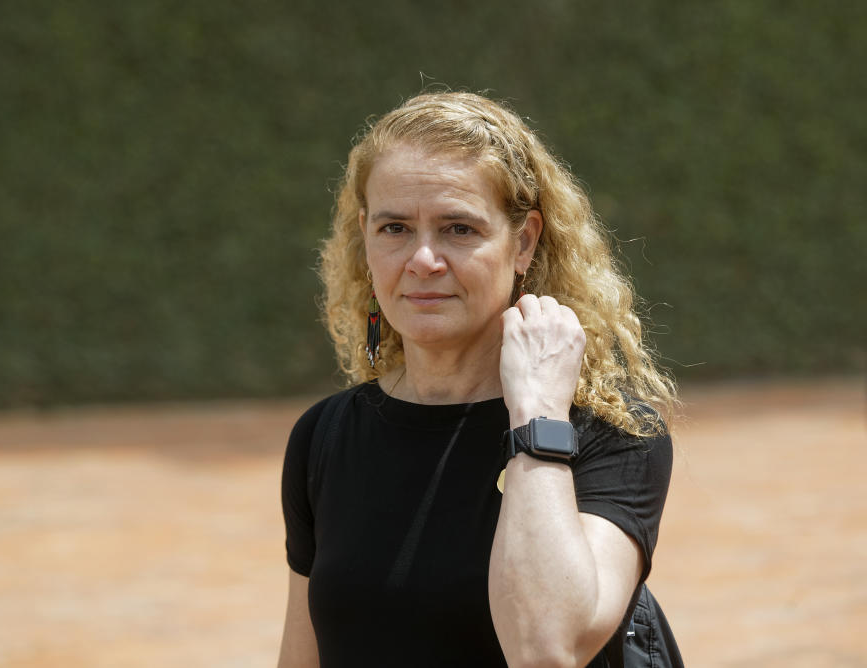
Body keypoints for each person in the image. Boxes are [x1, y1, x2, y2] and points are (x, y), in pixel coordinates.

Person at [278, 91, 679, 668]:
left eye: (458, 229)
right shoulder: (324, 436)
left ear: (523, 242)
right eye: (394, 228)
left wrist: (538, 413)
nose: (422, 259)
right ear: (364, 236)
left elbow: (547, 648)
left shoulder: (611, 433)